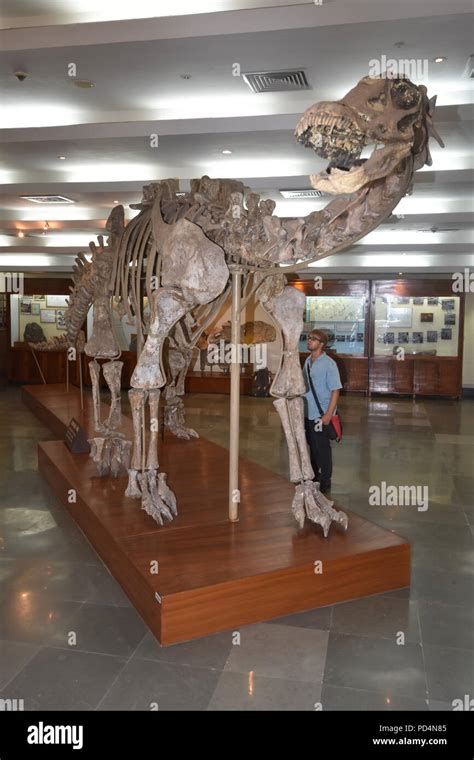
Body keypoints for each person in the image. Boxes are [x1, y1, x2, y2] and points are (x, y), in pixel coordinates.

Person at [303, 329, 342, 494]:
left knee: (322, 448)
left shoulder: (329, 364)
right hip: (308, 412)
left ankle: (325, 480)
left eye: (314, 339)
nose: (309, 341)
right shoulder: (307, 360)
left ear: (322, 344)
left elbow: (335, 390)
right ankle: (314, 476)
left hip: (321, 414)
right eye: (309, 338)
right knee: (312, 445)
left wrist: (327, 414)